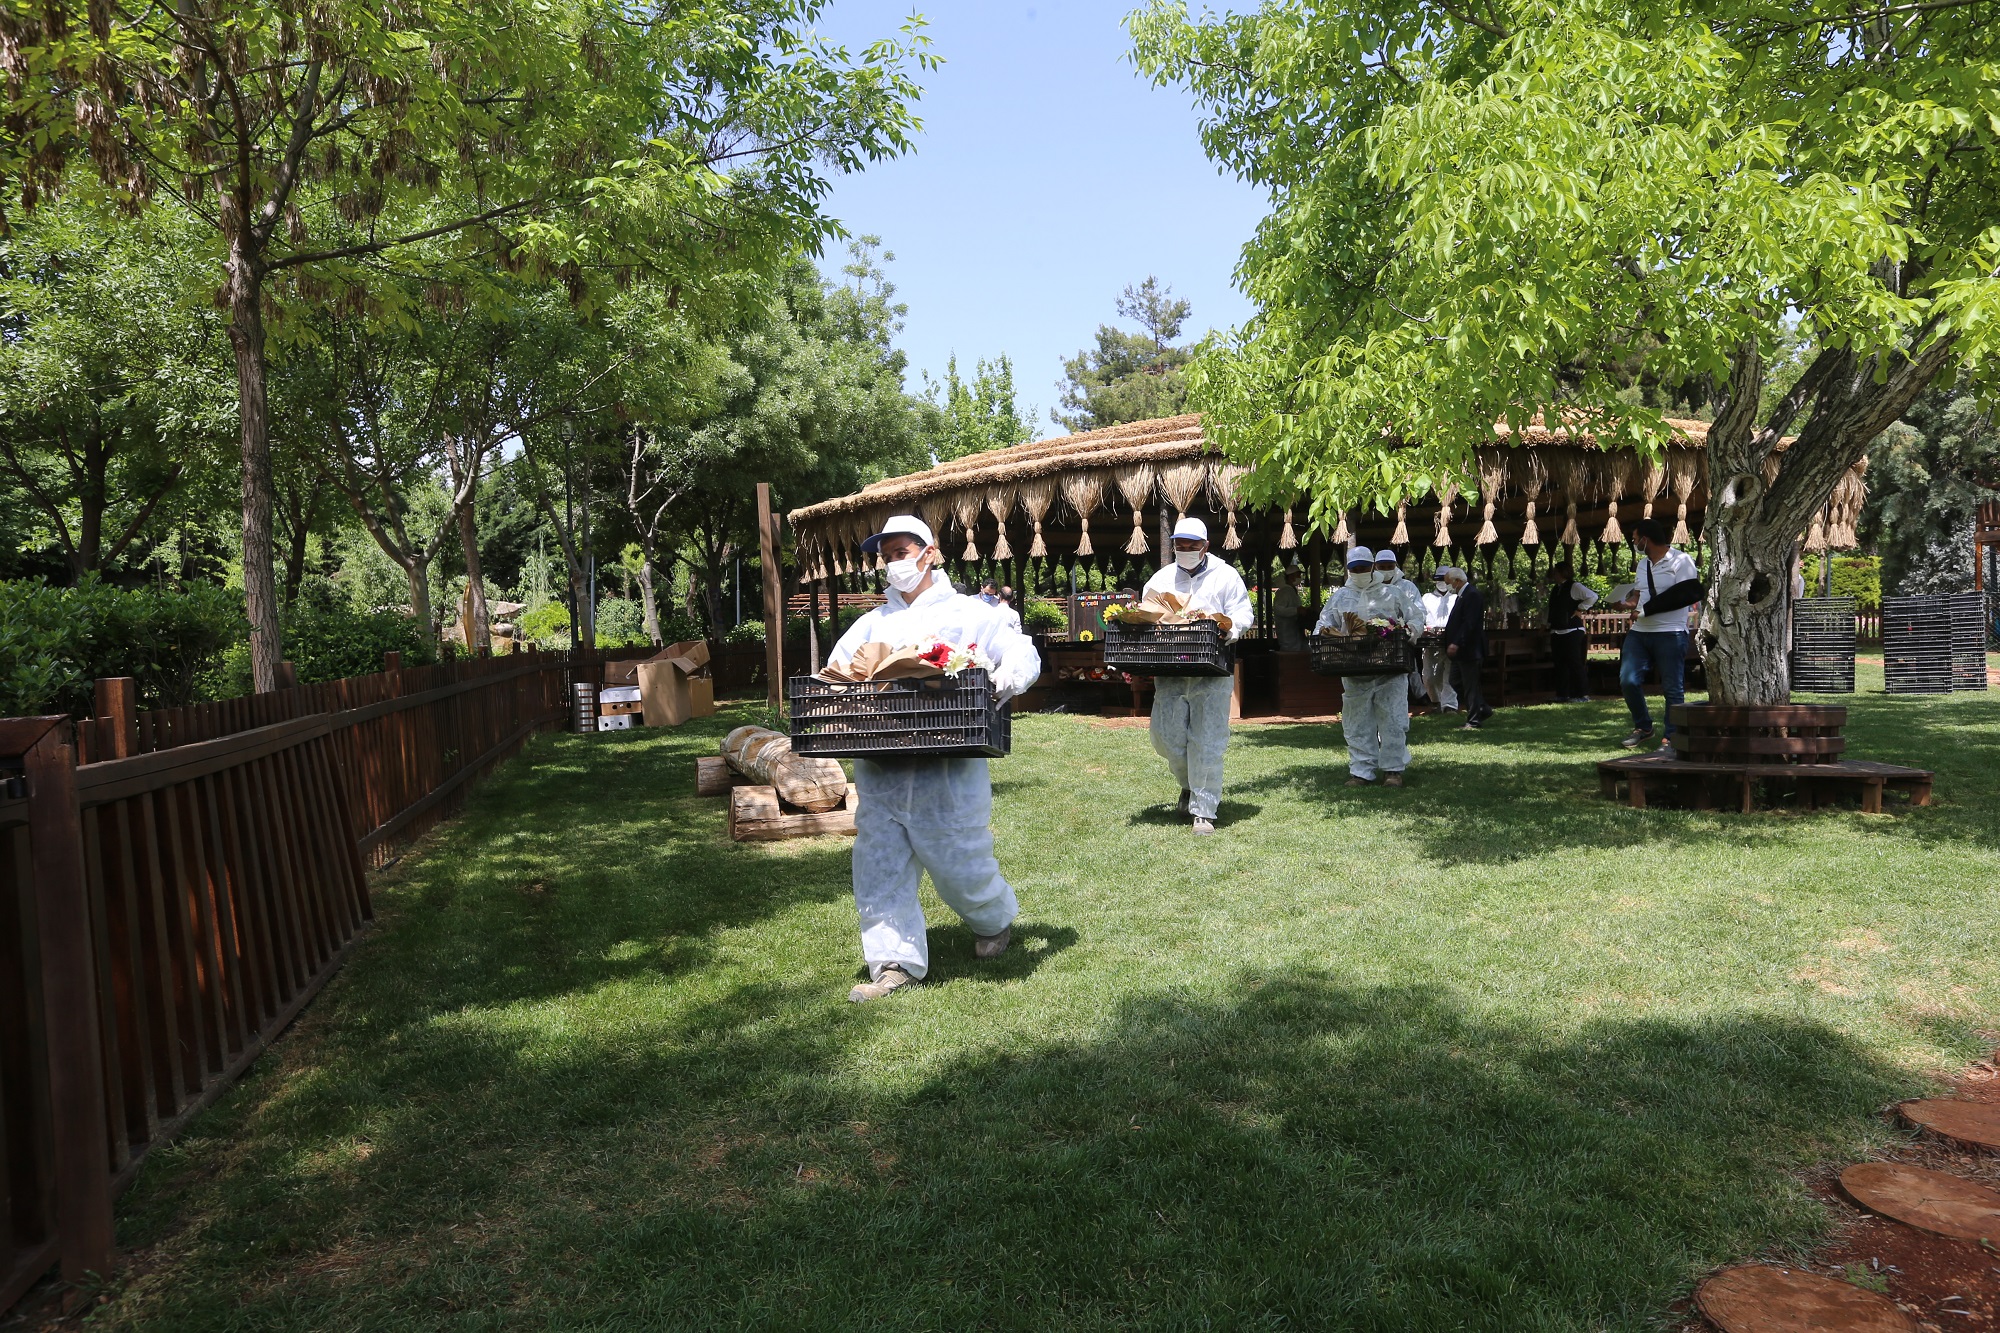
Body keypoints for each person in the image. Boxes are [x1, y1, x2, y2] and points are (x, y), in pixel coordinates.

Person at [827, 516, 1043, 1003]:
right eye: (886, 556)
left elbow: (1020, 651)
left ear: (930, 554)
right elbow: (837, 673)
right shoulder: (872, 623)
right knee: (879, 866)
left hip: (947, 768)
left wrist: (1001, 681)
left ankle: (993, 919)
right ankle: (893, 964)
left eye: (901, 553)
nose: (892, 563)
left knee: (959, 863)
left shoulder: (968, 612)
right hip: (882, 766)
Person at [1143, 517, 1254, 835]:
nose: (1186, 549)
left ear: (1205, 546)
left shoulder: (1225, 576)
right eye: (1180, 544)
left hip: (1212, 672)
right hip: (1171, 671)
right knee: (1167, 738)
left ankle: (1204, 811)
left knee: (1206, 741)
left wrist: (1230, 628)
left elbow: (1242, 612)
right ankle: (1189, 785)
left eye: (1192, 544)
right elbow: (1146, 611)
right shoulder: (1162, 578)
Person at [1318, 546, 1419, 786]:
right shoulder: (1340, 597)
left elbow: (1415, 617)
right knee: (1356, 722)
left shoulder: (1392, 593)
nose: (1360, 572)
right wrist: (1325, 637)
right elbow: (1323, 624)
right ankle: (1361, 771)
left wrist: (1409, 632)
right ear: (1349, 570)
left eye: (1364, 568)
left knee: (1393, 719)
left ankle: (1393, 770)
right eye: (1355, 569)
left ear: (1372, 567)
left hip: (1390, 667)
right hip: (1354, 668)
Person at [1616, 518, 1701, 752]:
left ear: (1645, 539)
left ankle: (1672, 738)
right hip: (1640, 632)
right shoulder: (1643, 564)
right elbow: (1638, 596)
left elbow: (1687, 593)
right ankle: (1643, 727)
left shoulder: (1681, 560)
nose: (1634, 542)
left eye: (1635, 539)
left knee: (1672, 688)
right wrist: (1625, 603)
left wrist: (1645, 610)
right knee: (1628, 680)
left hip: (1670, 633)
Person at [1440, 567, 1491, 729]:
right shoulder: (1463, 595)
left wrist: (1457, 642)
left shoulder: (1472, 595)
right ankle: (1481, 708)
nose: (1448, 586)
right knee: (1455, 681)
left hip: (1469, 648)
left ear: (1457, 581)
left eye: (1449, 583)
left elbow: (1469, 623)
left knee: (1470, 685)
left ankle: (1474, 720)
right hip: (1462, 650)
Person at [1547, 557, 1600, 703]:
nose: (1554, 574)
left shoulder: (1574, 586)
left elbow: (1593, 596)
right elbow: (1552, 608)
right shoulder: (1556, 589)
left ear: (1562, 572)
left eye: (1556, 572)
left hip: (1572, 630)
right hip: (1556, 630)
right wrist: (1547, 624)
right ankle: (1562, 694)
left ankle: (1582, 694)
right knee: (1560, 663)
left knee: (1574, 662)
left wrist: (1580, 609)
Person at [1420, 567, 1462, 712]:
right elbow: (1419, 617)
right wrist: (1425, 630)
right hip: (1430, 642)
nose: (1442, 582)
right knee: (1429, 675)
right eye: (1439, 579)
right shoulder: (1426, 598)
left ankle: (1449, 705)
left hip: (1450, 640)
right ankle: (1436, 701)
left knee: (1449, 674)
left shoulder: (1456, 598)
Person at [1273, 565, 1307, 651]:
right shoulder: (1284, 591)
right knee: (1289, 654)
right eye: (1298, 575)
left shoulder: (1291, 590)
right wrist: (1296, 610)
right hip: (1287, 633)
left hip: (1294, 632)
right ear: (1291, 576)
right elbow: (1278, 609)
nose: (1299, 577)